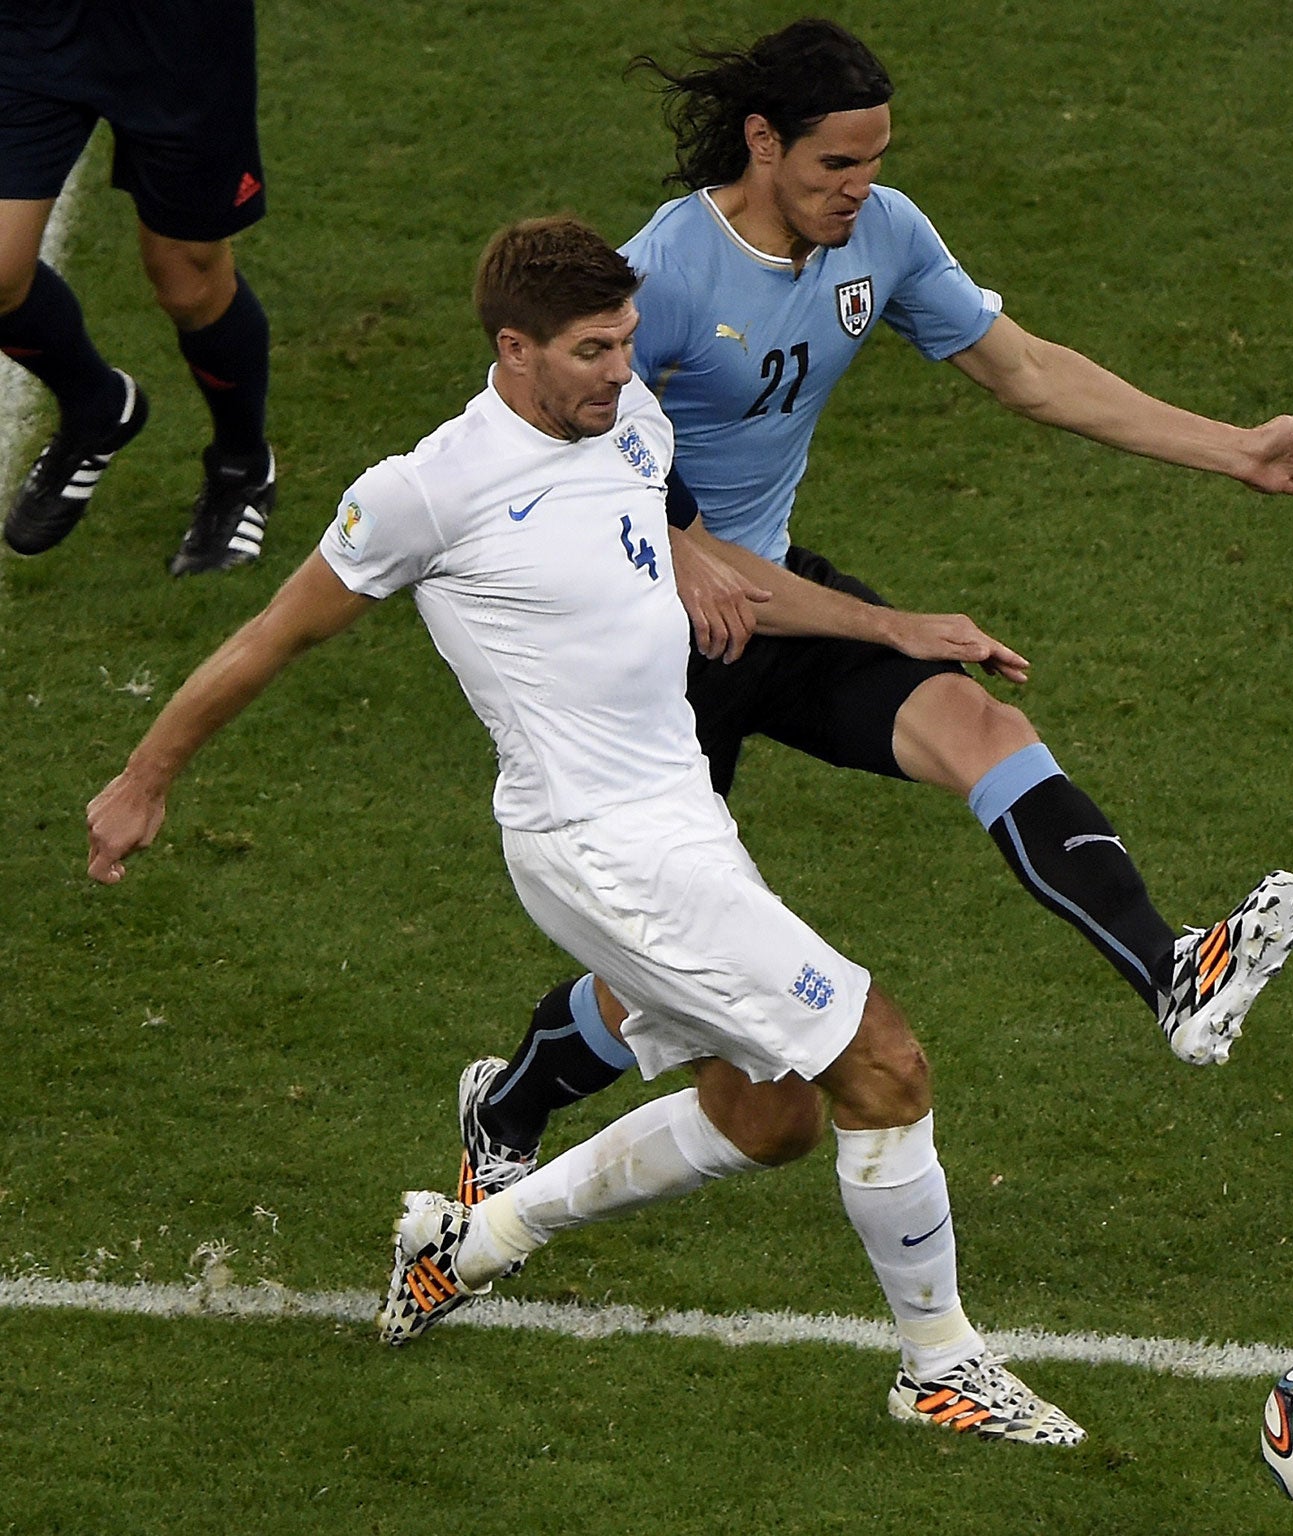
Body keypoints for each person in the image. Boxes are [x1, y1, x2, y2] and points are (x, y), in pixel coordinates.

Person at [86, 215, 1082, 1445]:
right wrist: (145, 778)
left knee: (770, 1114)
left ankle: (473, 1242)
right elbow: (269, 638)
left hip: (678, 819)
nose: (625, 368)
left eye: (626, 342)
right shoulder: (426, 492)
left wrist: (892, 627)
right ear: (514, 348)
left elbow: (712, 561)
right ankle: (937, 1366)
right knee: (884, 1061)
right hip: (599, 846)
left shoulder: (629, 424)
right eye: (595, 349)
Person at [458, 18, 1293, 1203]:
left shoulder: (884, 235)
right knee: (678, 989)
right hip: (648, 654)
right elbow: (550, 441)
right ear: (762, 143)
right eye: (833, 169)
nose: (858, 192)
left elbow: (1024, 370)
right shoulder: (657, 276)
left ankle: (1170, 968)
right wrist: (678, 547)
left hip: (780, 603)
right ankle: (507, 1103)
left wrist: (1233, 450)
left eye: (872, 164)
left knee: (982, 732)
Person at [0, 0, 275, 574]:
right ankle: (96, 406)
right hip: (29, 24)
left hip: (175, 33)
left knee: (188, 279)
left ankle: (241, 465)